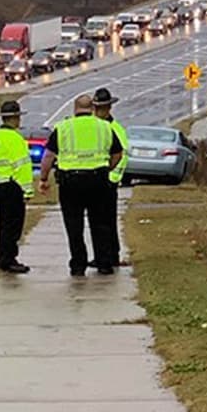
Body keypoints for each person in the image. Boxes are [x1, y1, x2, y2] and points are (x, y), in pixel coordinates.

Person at [38, 94, 124, 276]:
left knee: (73, 225)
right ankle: (104, 263)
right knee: (100, 223)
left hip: (70, 182)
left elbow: (48, 156)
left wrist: (44, 179)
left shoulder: (63, 127)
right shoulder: (104, 127)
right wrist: (107, 168)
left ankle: (78, 264)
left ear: (74, 109)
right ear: (92, 108)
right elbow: (118, 154)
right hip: (98, 180)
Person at [0, 100, 34, 274]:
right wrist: (27, 189)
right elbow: (22, 166)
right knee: (14, 224)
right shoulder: (15, 138)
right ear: (14, 118)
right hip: (12, 184)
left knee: (4, 223)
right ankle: (9, 259)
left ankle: (2, 257)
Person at [92, 88, 130, 267]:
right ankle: (101, 256)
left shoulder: (115, 129)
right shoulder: (95, 127)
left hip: (107, 182)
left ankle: (111, 256)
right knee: (97, 222)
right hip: (95, 180)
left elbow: (122, 155)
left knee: (107, 221)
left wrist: (112, 177)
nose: (97, 112)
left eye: (100, 108)